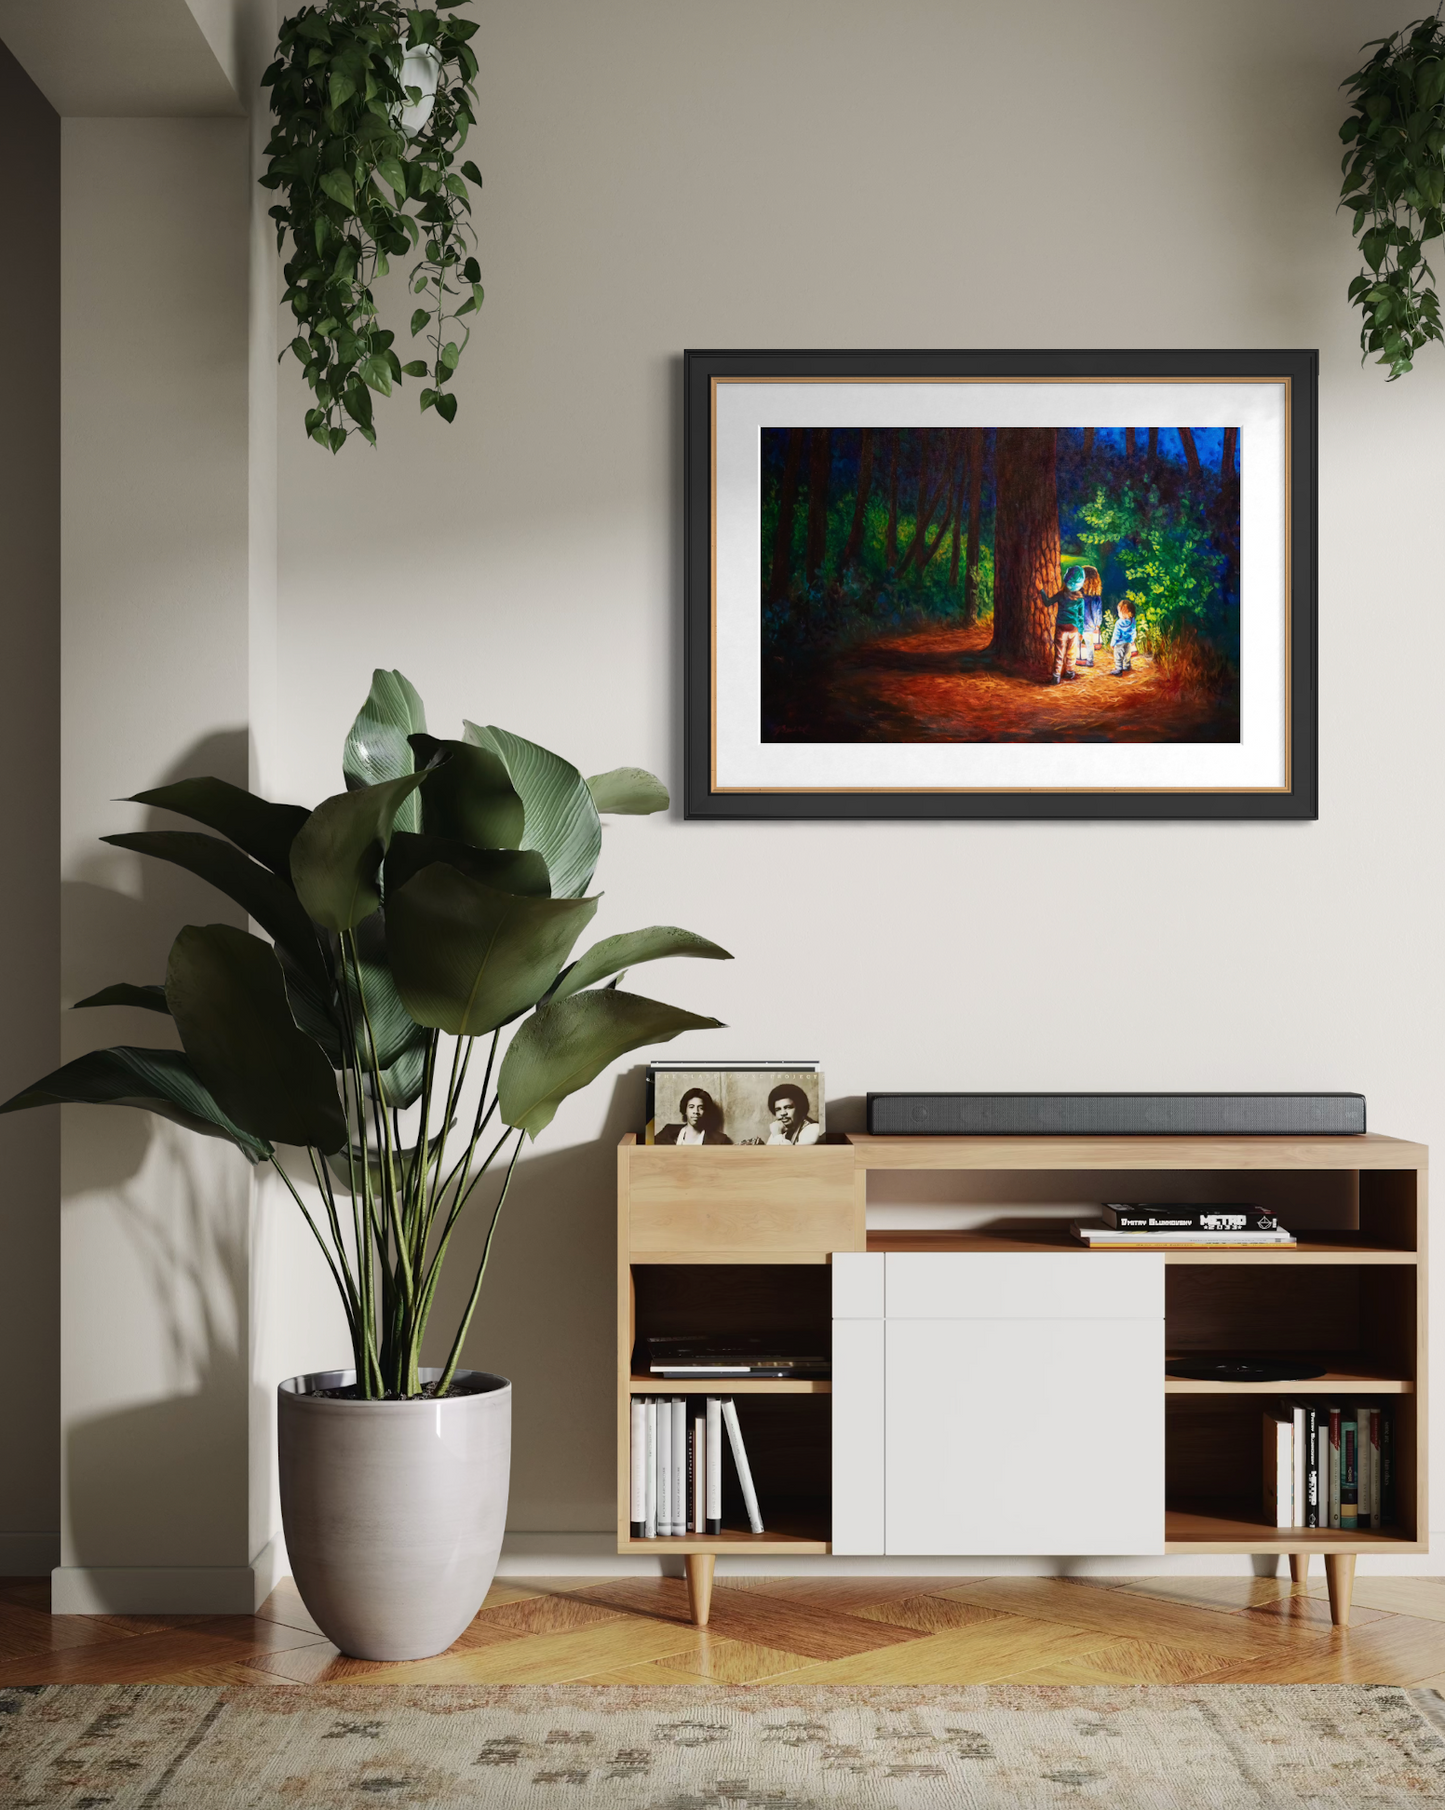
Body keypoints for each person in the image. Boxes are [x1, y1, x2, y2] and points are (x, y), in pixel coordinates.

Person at [1045, 565, 1088, 684]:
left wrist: (1042, 591)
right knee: (1071, 652)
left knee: (1059, 652)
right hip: (1074, 630)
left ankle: (1056, 675)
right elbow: (1081, 617)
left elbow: (1047, 602)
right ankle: (1070, 671)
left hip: (1061, 628)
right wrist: (1081, 632)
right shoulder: (1080, 599)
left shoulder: (1061, 595)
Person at [655, 1086, 732, 1145]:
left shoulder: (720, 1140)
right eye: (691, 1107)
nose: (696, 1112)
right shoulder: (668, 1132)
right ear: (685, 1110)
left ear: (706, 1111)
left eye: (701, 1108)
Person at [1077, 588, 1103, 667]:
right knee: (1089, 643)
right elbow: (1098, 611)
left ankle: (1078, 658)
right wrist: (1097, 624)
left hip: (1080, 624)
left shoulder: (1079, 595)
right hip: (1090, 625)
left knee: (1078, 642)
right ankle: (1089, 661)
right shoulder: (1096, 597)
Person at [1111, 598, 1137, 675]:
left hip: (1119, 643)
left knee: (1118, 656)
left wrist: (1113, 643)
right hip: (1128, 643)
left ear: (1123, 613)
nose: (1118, 613)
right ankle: (1126, 667)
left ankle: (1118, 669)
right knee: (1127, 655)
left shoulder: (1118, 623)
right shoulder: (1132, 621)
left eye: (1119, 611)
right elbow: (1133, 631)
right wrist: (1132, 640)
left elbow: (1116, 635)